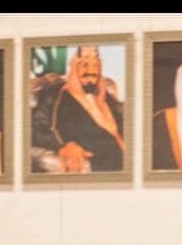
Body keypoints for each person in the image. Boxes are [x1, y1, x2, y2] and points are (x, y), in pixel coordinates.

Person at [30, 45, 125, 174]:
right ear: (74, 66)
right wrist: (62, 147)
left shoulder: (107, 98)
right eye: (84, 65)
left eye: (95, 65)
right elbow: (39, 125)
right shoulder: (56, 93)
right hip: (99, 160)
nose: (91, 70)